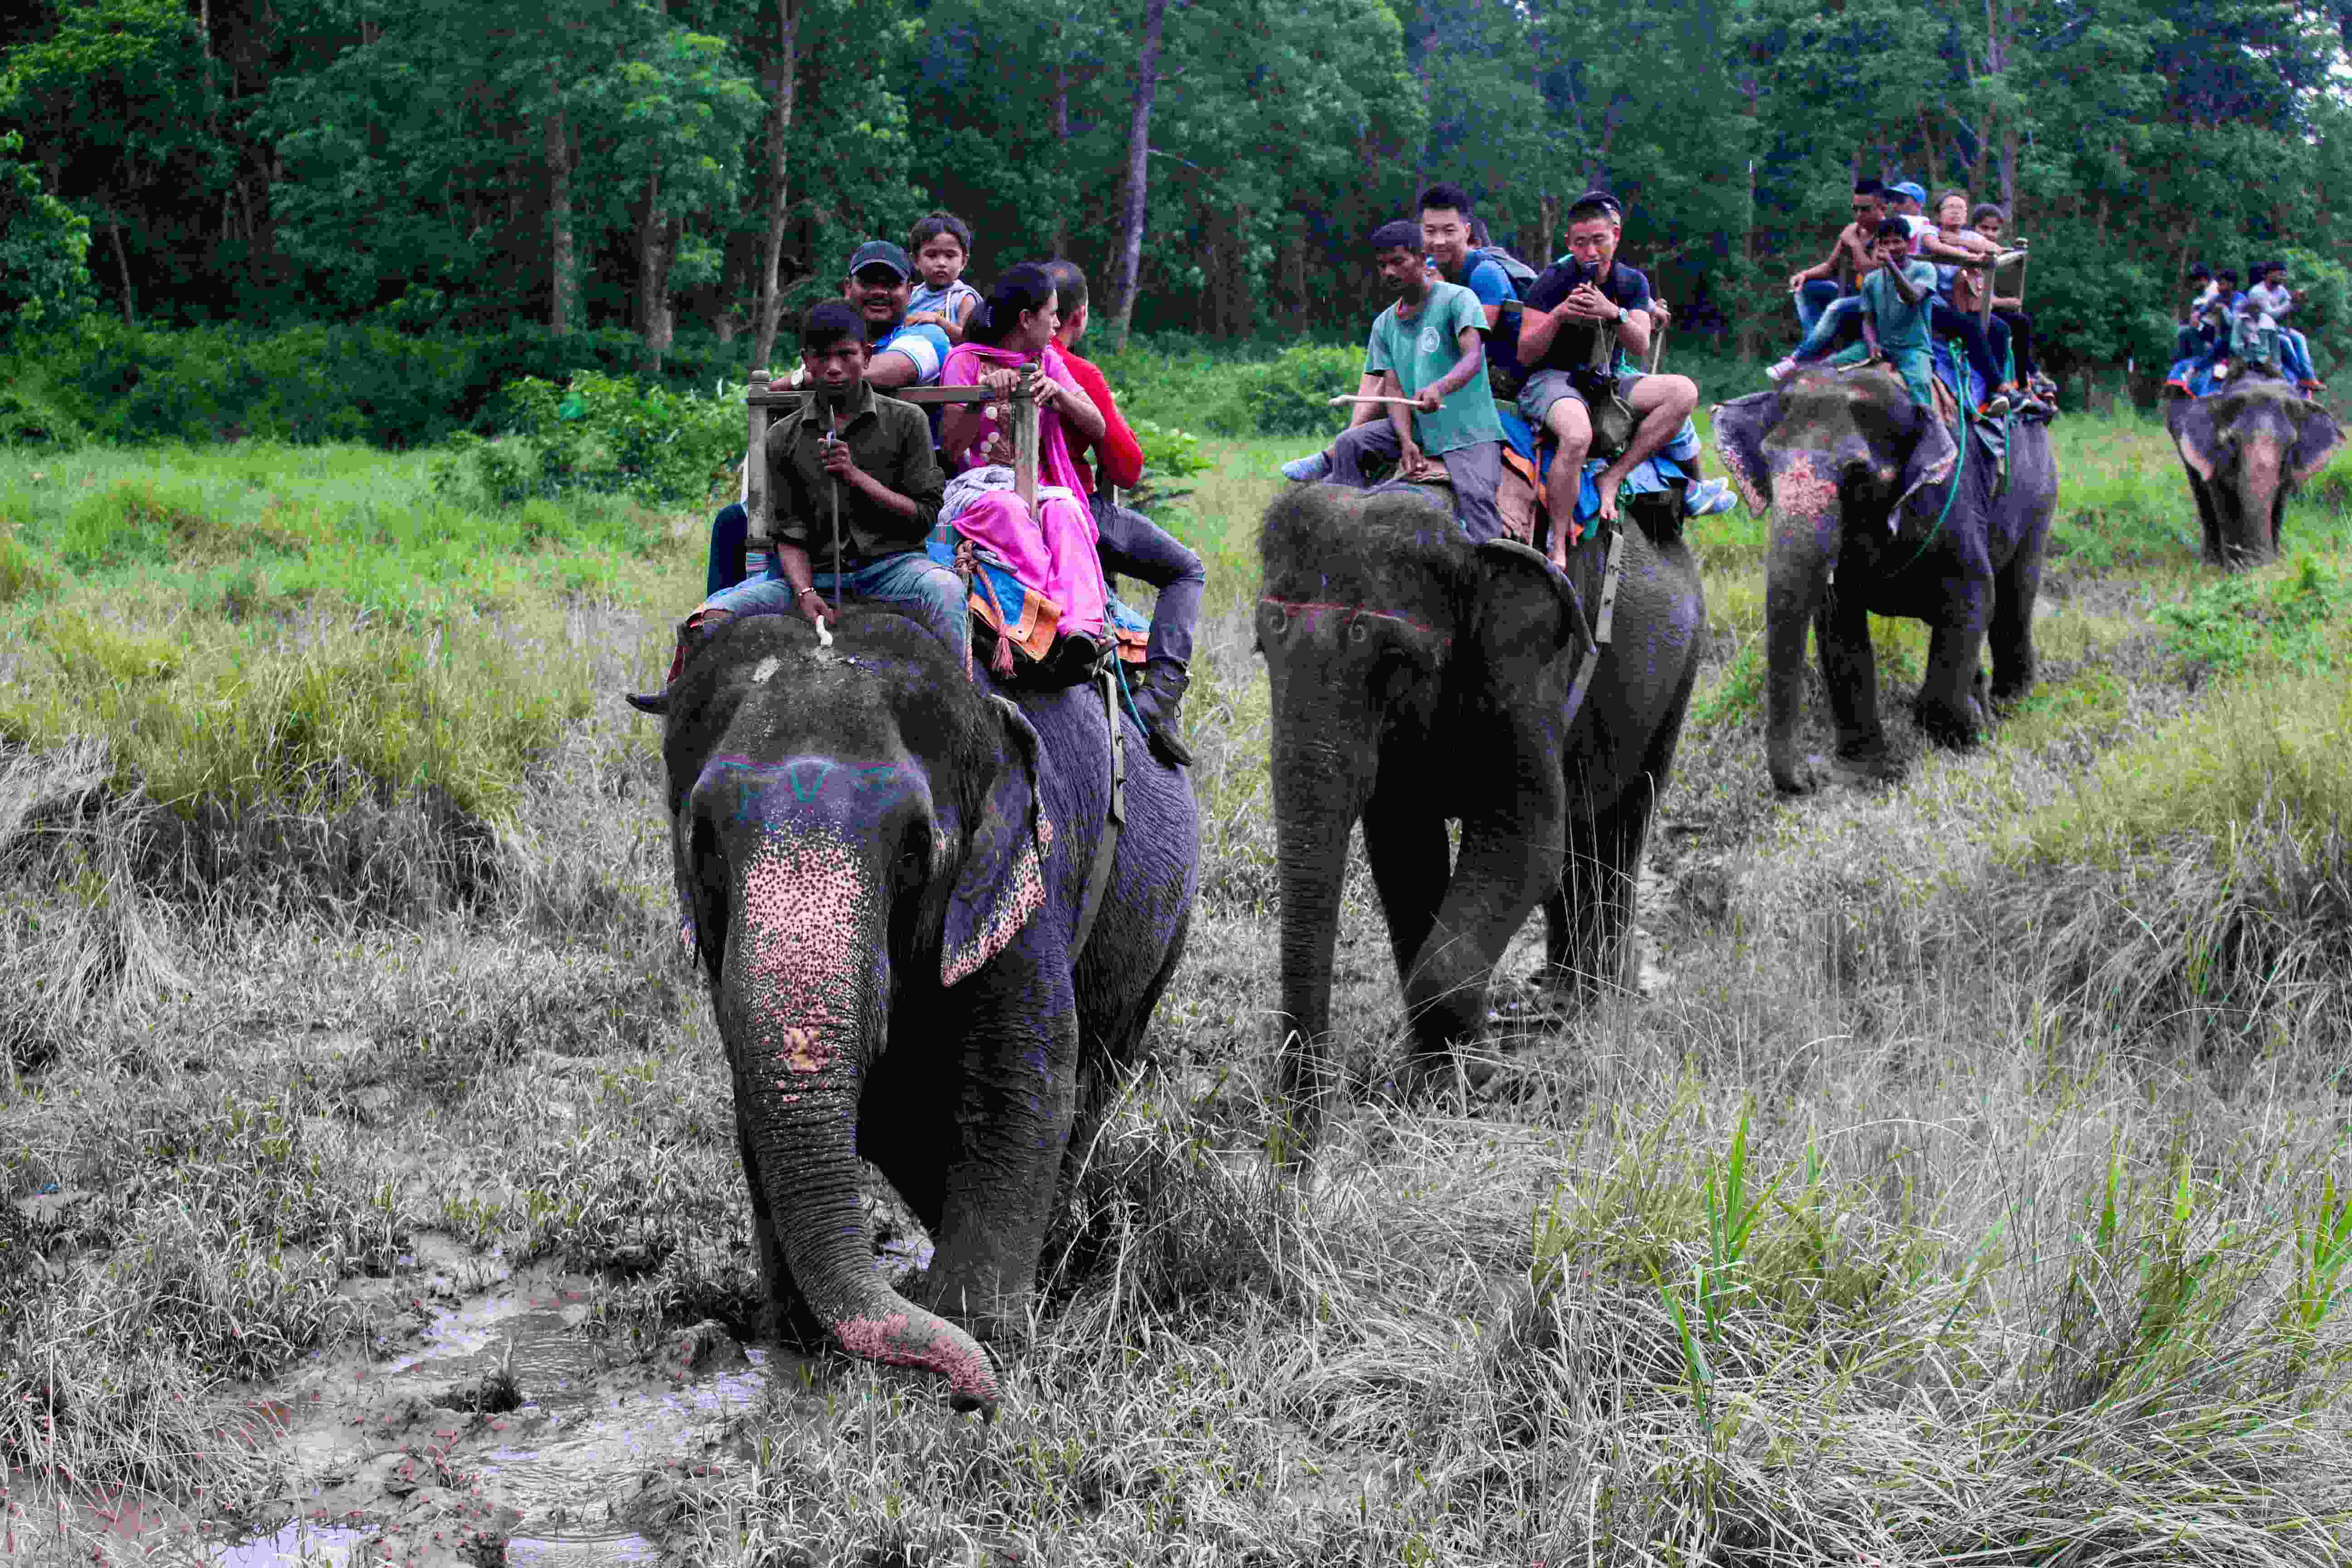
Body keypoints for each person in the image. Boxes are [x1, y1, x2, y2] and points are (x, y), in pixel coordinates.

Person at [627, 300, 956, 711]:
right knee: (709, 618)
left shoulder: (908, 422)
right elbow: (790, 532)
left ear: (867, 356)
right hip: (811, 575)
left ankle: (962, 703)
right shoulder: (782, 437)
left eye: (846, 355)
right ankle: (687, 708)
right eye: (822, 357)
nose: (834, 368)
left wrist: (857, 478)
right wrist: (803, 592)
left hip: (892, 570)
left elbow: (923, 516)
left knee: (945, 590)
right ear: (807, 362)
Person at [704, 241, 953, 597]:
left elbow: (887, 372)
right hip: (815, 500)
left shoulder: (926, 336)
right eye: (868, 282)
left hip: (896, 482)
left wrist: (806, 375)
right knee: (732, 525)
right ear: (847, 288)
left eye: (891, 283)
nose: (879, 292)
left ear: (910, 292)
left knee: (943, 591)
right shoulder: (823, 343)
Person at [1042, 256, 1205, 765]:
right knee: (1187, 569)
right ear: (1079, 315)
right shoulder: (1075, 371)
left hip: (983, 501)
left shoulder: (976, 358)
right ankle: (1161, 697)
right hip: (1069, 508)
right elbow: (1128, 468)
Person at [1282, 220, 1509, 542]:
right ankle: (1339, 530)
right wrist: (1405, 440)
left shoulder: (1459, 300)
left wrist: (1440, 388)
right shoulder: (1385, 324)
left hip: (1468, 431)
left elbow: (1472, 358)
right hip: (1416, 426)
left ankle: (1493, 577)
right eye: (1382, 265)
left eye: (1398, 262)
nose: (1389, 272)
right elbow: (1394, 387)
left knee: (1478, 507)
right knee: (1350, 443)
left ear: (1422, 257)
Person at [938, 265, 1117, 661]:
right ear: (1026, 319)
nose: (1058, 322)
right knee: (1010, 509)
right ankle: (1044, 621)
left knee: (1066, 509)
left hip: (1035, 486)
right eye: (1051, 313)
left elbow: (1099, 425)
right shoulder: (965, 360)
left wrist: (1059, 395)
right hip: (977, 488)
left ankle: (1082, 630)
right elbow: (951, 450)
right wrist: (978, 397)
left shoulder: (1048, 361)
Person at [1514, 191, 1702, 549]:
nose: (1591, 252)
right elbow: (1525, 353)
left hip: (1606, 378)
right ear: (1569, 243)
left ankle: (1613, 478)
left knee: (1684, 393)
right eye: (1581, 243)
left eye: (1599, 241)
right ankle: (1557, 546)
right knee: (1577, 434)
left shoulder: (1632, 282)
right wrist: (1558, 316)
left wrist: (1613, 312)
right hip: (1553, 380)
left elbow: (1641, 345)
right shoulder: (1553, 280)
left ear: (1615, 237)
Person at [1815, 219, 1942, 412]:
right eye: (1886, 243)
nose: (1892, 247)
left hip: (1913, 348)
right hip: (1880, 345)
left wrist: (1891, 266)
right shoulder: (1872, 279)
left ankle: (1929, 434)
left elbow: (1913, 298)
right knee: (1824, 368)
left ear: (1909, 244)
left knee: (1920, 387)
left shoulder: (1924, 270)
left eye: (1897, 242)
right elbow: (1868, 320)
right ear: (1879, 246)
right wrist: (1872, 344)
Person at [1787, 178, 1889, 338]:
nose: (1859, 215)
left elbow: (1872, 277)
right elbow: (1830, 267)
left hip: (1877, 301)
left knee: (1836, 307)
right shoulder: (1853, 231)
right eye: (1855, 209)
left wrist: (1855, 244)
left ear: (1882, 209)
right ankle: (1813, 346)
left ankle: (1805, 353)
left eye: (1865, 209)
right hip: (1852, 293)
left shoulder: (1889, 233)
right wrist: (1804, 275)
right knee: (1803, 290)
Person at [1969, 202, 2044, 394]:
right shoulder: (1969, 253)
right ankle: (1998, 387)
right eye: (1984, 228)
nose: (1990, 234)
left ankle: (2025, 380)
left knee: (2021, 322)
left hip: (1988, 307)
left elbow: (1987, 293)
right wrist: (2005, 302)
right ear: (1973, 228)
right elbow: (1975, 297)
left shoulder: (1991, 251)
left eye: (1995, 230)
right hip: (1972, 309)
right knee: (2001, 329)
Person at [906, 212, 982, 346]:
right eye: (932, 255)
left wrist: (938, 321)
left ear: (964, 261)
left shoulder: (964, 298)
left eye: (950, 256)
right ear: (916, 260)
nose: (941, 263)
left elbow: (969, 341)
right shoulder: (911, 295)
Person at [2249, 261, 2326, 393]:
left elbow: (2291, 310)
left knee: (2299, 337)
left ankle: (2309, 377)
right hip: (2259, 331)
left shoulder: (2281, 290)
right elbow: (2271, 315)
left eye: (2284, 275)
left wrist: (2299, 302)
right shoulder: (2258, 292)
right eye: (2280, 274)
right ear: (2269, 274)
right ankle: (2300, 376)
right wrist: (2291, 303)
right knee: (2286, 341)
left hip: (2275, 329)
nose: (2283, 278)